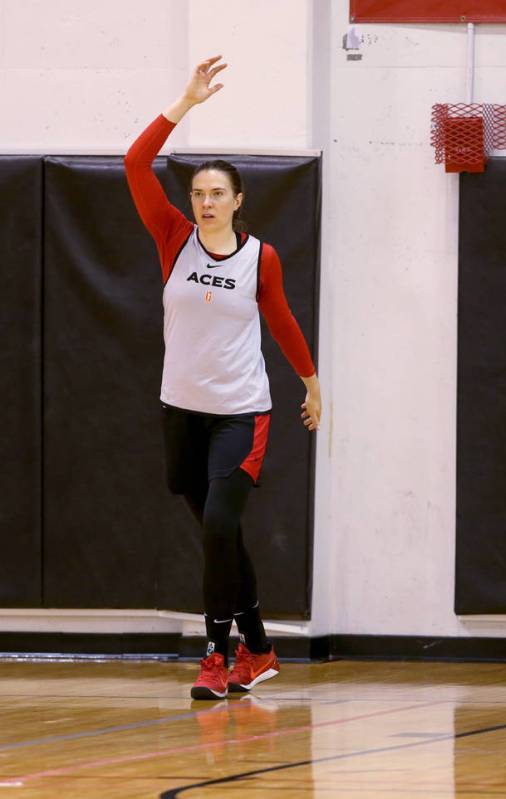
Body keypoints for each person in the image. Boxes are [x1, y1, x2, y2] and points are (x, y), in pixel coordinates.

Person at [124, 56, 321, 700]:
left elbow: (284, 322)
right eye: (198, 194)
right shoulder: (172, 238)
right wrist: (184, 103)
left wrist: (312, 383)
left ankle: (217, 655)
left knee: (216, 528)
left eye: (217, 194)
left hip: (241, 412)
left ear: (238, 201)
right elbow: (134, 163)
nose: (205, 203)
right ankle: (261, 646)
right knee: (221, 531)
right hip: (180, 409)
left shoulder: (261, 257)